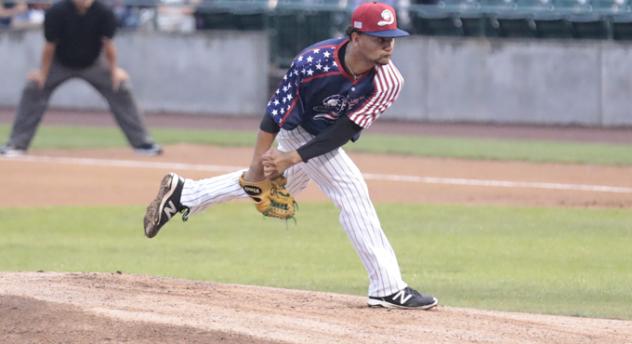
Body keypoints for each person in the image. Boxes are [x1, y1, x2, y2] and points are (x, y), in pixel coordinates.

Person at [143, 1, 438, 310]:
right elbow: (274, 115)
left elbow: (341, 132)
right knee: (351, 191)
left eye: (392, 37)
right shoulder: (312, 63)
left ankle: (185, 193)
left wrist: (292, 158)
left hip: (323, 136)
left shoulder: (389, 81)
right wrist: (257, 166)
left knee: (285, 187)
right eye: (380, 37)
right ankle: (387, 287)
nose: (388, 44)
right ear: (355, 37)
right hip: (298, 128)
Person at [0, 0, 161, 156]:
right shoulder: (57, 12)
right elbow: (50, 46)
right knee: (33, 86)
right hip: (60, 62)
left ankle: (142, 143)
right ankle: (17, 143)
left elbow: (108, 45)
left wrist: (114, 71)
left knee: (121, 86)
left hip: (93, 63)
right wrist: (42, 73)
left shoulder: (104, 12)